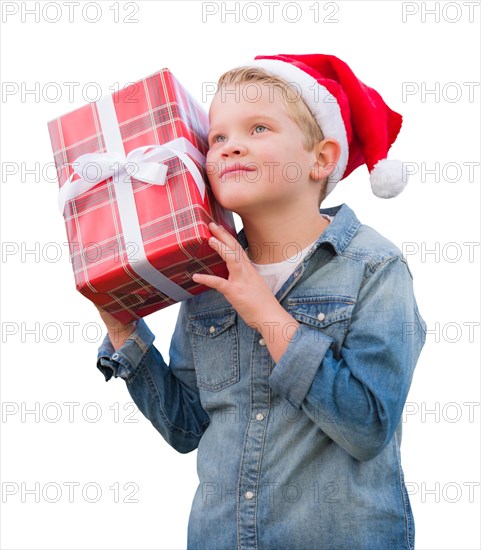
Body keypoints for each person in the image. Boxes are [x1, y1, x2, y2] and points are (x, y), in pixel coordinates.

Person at [95, 54, 426, 549]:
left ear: (320, 158)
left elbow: (366, 426)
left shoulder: (374, 268)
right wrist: (124, 330)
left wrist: (266, 314)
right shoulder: (208, 275)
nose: (229, 149)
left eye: (259, 128)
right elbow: (188, 427)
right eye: (219, 138)